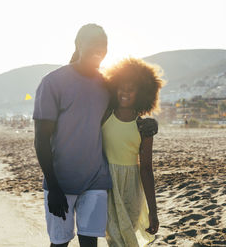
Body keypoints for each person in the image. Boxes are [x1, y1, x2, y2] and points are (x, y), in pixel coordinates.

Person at [33, 24, 158, 247]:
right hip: (60, 182)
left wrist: (149, 121)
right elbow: (41, 138)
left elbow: (126, 110)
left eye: (104, 45)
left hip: (96, 181)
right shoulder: (52, 83)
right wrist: (52, 186)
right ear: (78, 45)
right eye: (93, 43)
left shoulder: (105, 85)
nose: (99, 49)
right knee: (59, 243)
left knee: (90, 243)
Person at [102, 58, 164, 246]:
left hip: (132, 188)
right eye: (121, 87)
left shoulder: (144, 127)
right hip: (106, 183)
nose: (125, 92)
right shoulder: (104, 115)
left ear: (142, 93)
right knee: (113, 236)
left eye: (132, 89)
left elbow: (146, 168)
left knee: (128, 236)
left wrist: (153, 211)